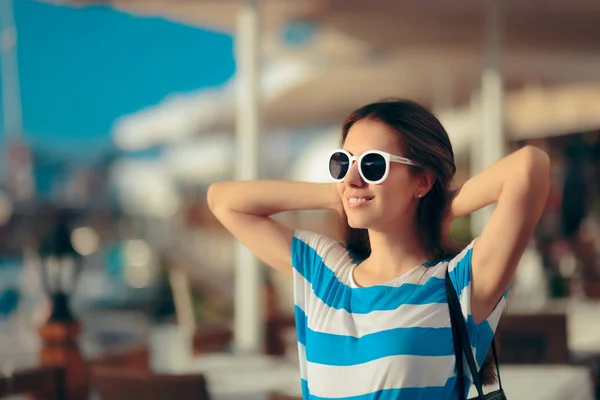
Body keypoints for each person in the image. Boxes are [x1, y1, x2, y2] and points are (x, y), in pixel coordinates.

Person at [207, 99, 550, 400]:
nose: (354, 177)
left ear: (422, 180)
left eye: (373, 165)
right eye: (343, 162)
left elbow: (529, 167)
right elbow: (223, 200)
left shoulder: (459, 285)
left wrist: (441, 205)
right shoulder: (324, 274)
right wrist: (340, 193)